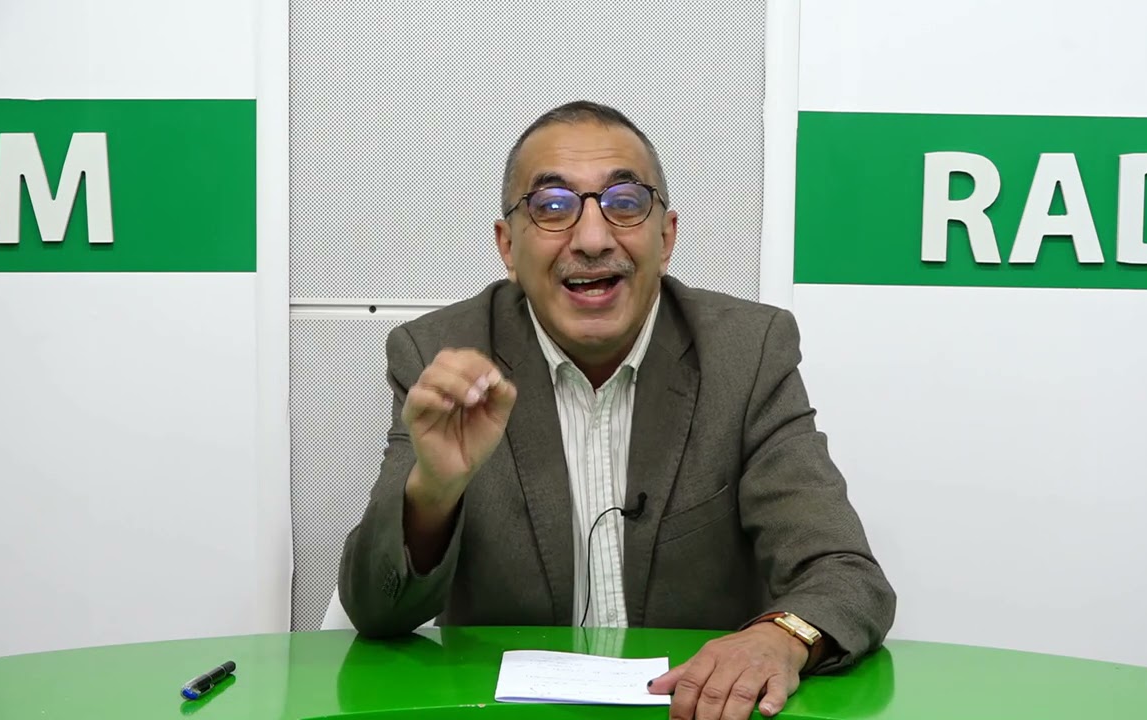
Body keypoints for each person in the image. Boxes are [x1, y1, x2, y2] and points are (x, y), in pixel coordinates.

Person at [339, 100, 895, 720]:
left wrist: (779, 637)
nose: (593, 239)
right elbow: (376, 611)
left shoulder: (746, 353)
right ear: (508, 246)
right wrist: (434, 493)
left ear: (666, 237)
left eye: (624, 203)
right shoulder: (443, 357)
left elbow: (844, 573)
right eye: (552, 207)